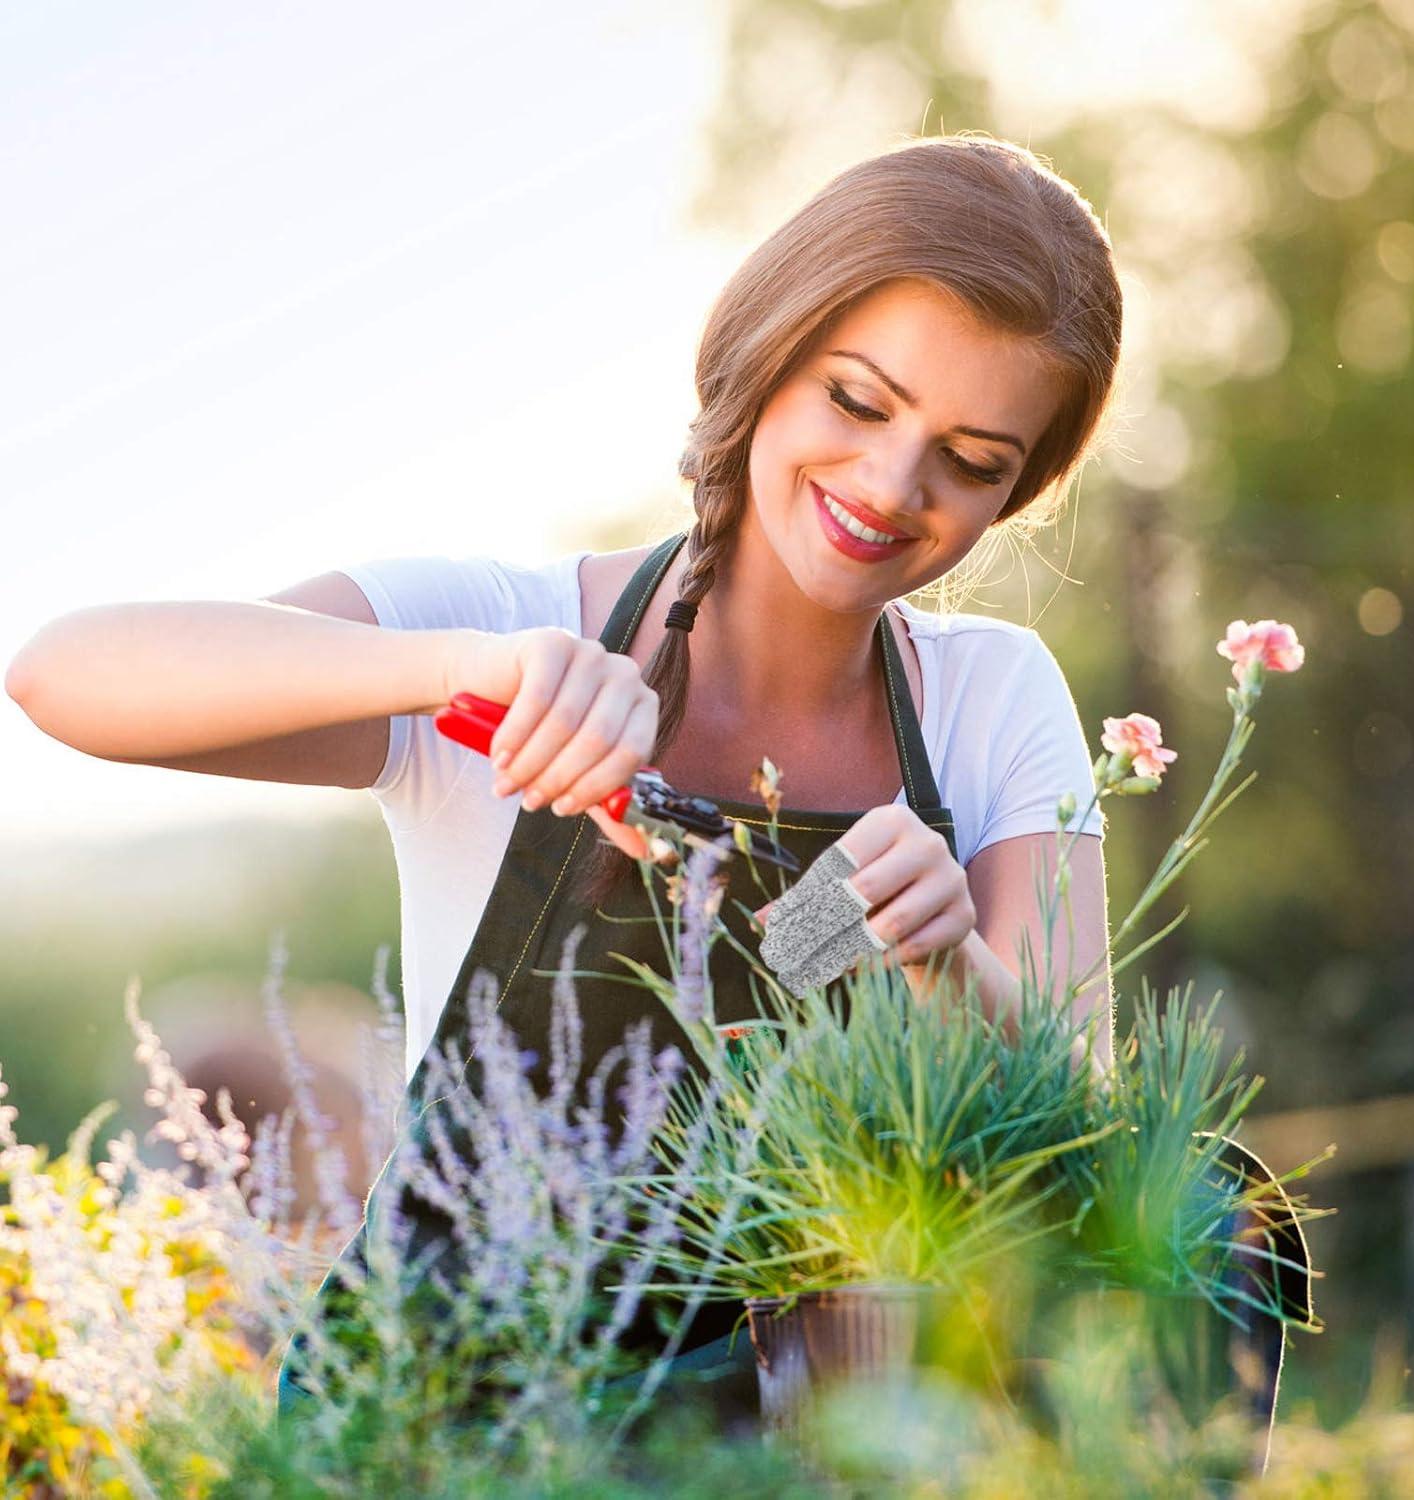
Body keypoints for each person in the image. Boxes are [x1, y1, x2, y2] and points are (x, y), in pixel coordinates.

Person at [4, 133, 1122, 1418]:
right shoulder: (503, 620)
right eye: (858, 401)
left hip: (811, 1439)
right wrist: (462, 674)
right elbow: (62, 676)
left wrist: (945, 967)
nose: (890, 484)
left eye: (973, 461)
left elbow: (1076, 1150)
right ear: (769, 351)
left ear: (1014, 491)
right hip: (440, 1431)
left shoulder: (990, 699)